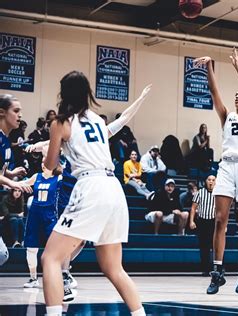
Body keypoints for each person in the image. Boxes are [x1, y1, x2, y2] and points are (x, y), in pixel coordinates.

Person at [41, 70, 151, 316]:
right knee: (114, 268)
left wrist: (46, 153)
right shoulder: (98, 120)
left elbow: (50, 165)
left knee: (50, 258)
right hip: (114, 189)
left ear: (64, 93)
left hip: (91, 187)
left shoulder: (60, 122)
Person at [194, 48, 238, 295]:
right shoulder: (227, 116)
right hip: (226, 166)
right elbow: (214, 92)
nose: (236, 97)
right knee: (220, 220)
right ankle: (217, 271)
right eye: (235, 94)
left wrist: (237, 68)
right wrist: (210, 66)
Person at [21, 164, 62, 292]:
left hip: (50, 217)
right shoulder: (36, 176)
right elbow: (22, 184)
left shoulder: (59, 178)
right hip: (34, 216)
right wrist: (8, 179)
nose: (43, 163)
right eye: (43, 160)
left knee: (54, 250)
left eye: (46, 160)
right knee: (31, 248)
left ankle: (60, 276)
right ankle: (33, 278)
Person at [0, 94, 32, 193]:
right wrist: (12, 183)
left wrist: (10, 173)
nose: (20, 115)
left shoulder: (5, 138)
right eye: (16, 111)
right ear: (1, 112)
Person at [189, 174, 217, 275]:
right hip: (202, 221)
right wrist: (191, 221)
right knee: (204, 246)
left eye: (213, 180)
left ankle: (218, 268)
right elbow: (193, 208)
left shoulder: (218, 194)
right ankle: (205, 269)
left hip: (214, 221)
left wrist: (224, 225)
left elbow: (223, 211)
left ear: (216, 182)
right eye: (209, 179)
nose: (211, 182)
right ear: (206, 181)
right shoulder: (200, 193)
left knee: (216, 246)